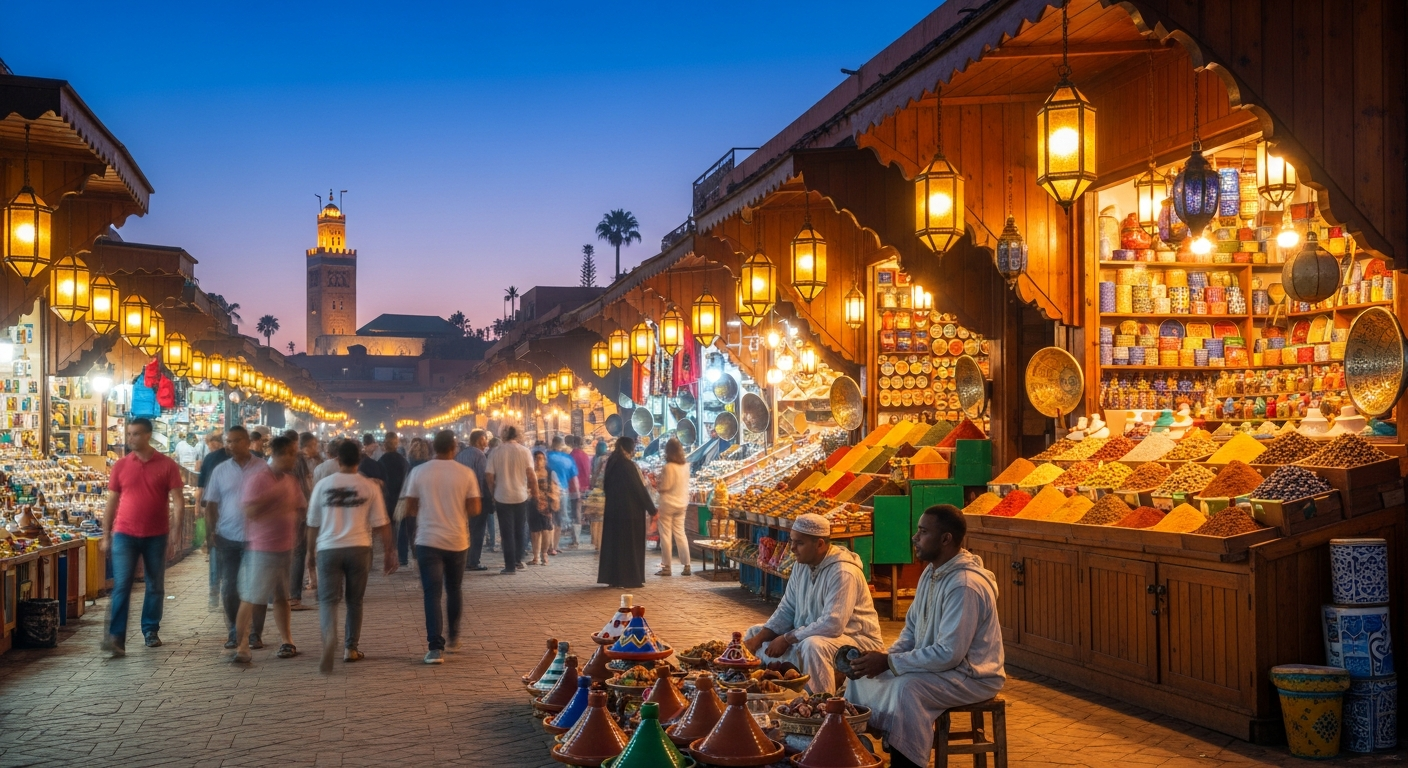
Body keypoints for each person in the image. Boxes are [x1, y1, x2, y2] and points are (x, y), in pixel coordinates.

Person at [846, 505, 1006, 768]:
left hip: (972, 675)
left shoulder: (964, 585)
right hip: (941, 668)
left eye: (922, 532)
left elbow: (949, 653)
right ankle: (860, 751)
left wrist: (890, 664)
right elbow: (911, 631)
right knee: (862, 679)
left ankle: (905, 760)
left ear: (946, 539)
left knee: (907, 688)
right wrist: (887, 658)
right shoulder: (931, 573)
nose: (914, 538)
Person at [742, 512, 883, 694]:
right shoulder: (801, 565)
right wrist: (758, 639)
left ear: (820, 544)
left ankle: (820, 703)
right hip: (811, 633)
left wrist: (787, 638)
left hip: (857, 641)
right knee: (755, 632)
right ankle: (767, 689)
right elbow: (787, 608)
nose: (792, 548)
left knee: (813, 645)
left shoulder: (843, 572)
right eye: (792, 541)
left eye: (799, 543)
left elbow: (832, 625)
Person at [306, 439, 396, 673]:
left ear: (337, 459)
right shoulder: (368, 486)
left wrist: (309, 553)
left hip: (328, 548)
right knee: (354, 601)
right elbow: (382, 523)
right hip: (359, 547)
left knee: (327, 600)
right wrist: (389, 551)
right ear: (359, 459)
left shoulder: (323, 485)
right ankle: (350, 648)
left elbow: (312, 524)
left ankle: (329, 640)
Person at [100, 418, 185, 655]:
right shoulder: (121, 466)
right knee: (122, 586)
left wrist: (176, 533)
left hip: (156, 535)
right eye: (129, 434)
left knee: (155, 584)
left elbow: (178, 500)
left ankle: (150, 629)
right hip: (124, 534)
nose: (130, 439)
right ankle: (116, 638)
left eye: (135, 434)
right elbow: (111, 503)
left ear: (148, 435)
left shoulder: (167, 465)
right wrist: (106, 535)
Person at [402, 430, 481, 664]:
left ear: (433, 448)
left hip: (427, 539)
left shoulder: (418, 472)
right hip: (457, 539)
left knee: (432, 593)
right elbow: (475, 508)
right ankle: (454, 637)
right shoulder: (465, 473)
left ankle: (435, 648)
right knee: (454, 588)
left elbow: (410, 507)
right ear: (454, 447)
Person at [230, 435, 306, 663]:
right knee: (252, 597)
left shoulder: (290, 481)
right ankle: (242, 645)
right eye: (292, 453)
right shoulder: (259, 479)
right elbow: (249, 511)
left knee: (282, 596)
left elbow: (300, 507)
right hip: (262, 548)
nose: (295, 458)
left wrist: (296, 525)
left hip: (284, 547)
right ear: (279, 454)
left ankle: (287, 641)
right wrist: (277, 504)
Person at [204, 426, 272, 650]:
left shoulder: (263, 468)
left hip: (257, 537)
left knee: (256, 587)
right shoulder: (220, 471)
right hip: (228, 535)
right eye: (228, 442)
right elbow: (211, 505)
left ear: (246, 442)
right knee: (230, 587)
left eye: (235, 441)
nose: (230, 446)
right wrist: (210, 533)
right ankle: (235, 630)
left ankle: (255, 633)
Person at [596, 437, 655, 589]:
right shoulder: (627, 465)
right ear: (627, 447)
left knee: (616, 546)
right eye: (633, 447)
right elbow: (639, 489)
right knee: (629, 547)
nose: (634, 450)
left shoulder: (612, 462)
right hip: (630, 513)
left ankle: (614, 578)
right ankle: (630, 578)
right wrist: (652, 509)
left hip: (614, 512)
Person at [485, 425, 536, 575]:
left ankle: (509, 566)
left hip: (502, 495)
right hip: (520, 495)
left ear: (503, 436)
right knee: (520, 529)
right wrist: (535, 492)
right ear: (518, 435)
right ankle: (518, 560)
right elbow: (531, 475)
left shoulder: (496, 452)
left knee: (506, 532)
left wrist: (492, 491)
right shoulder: (524, 451)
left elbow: (489, 475)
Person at [288, 432, 322, 611]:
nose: (316, 448)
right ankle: (293, 596)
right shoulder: (299, 460)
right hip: (300, 510)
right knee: (299, 551)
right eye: (314, 444)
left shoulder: (297, 459)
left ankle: (287, 594)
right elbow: (304, 484)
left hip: (292, 509)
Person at [196, 430, 230, 608]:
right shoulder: (233, 459)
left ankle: (214, 593)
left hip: (213, 508)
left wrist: (198, 508)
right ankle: (225, 592)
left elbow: (201, 486)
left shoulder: (210, 459)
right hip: (226, 510)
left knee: (215, 549)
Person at [456, 430, 494, 571]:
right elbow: (482, 478)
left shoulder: (461, 454)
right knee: (477, 531)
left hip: (460, 497)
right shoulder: (480, 455)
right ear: (479, 440)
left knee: (465, 530)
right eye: (485, 439)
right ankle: (473, 561)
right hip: (476, 498)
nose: (487, 442)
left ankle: (463, 559)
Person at [654, 437, 692, 577]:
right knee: (680, 533)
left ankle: (667, 567)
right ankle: (687, 565)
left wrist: (658, 485)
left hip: (668, 504)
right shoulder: (685, 466)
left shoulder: (668, 467)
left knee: (665, 535)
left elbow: (666, 486)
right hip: (682, 503)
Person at [397, 437, 432, 566]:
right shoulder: (428, 467)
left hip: (409, 500)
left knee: (406, 529)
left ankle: (403, 557)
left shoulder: (409, 465)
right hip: (424, 501)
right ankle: (419, 554)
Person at [378, 431, 410, 556]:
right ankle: (402, 556)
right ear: (397, 444)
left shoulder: (381, 460)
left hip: (387, 497)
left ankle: (390, 552)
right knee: (402, 527)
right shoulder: (403, 461)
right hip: (401, 497)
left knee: (389, 526)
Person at [545, 436, 579, 552]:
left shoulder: (547, 457)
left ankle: (548, 546)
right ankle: (555, 546)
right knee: (559, 519)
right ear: (562, 445)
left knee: (549, 518)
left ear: (552, 443)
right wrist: (578, 493)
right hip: (563, 492)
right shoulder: (568, 458)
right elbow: (574, 478)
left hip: (548, 491)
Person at [529, 450, 560, 566]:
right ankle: (536, 556)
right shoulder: (530, 472)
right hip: (532, 503)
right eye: (537, 458)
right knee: (535, 531)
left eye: (541, 458)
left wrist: (555, 501)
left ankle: (544, 554)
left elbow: (555, 488)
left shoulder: (550, 473)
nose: (539, 461)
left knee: (546, 530)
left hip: (546, 505)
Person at [569, 436, 592, 542]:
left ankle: (575, 539)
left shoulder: (571, 456)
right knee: (586, 510)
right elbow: (588, 472)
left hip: (573, 487)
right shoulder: (585, 456)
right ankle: (593, 536)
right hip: (585, 486)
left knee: (575, 511)